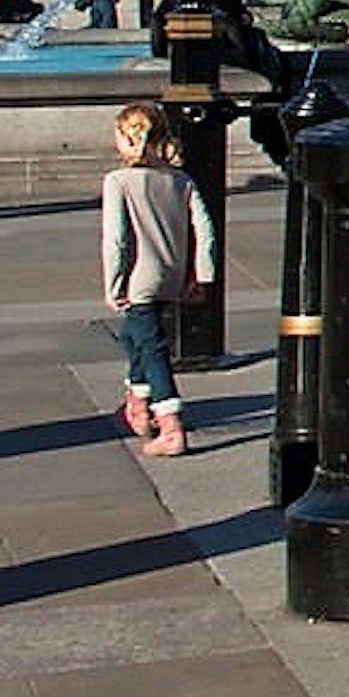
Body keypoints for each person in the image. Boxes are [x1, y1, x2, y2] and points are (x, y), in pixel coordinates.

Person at [99, 101, 213, 459]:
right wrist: (202, 275)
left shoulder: (118, 181)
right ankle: (137, 400)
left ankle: (170, 426)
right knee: (136, 336)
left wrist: (114, 285)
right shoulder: (180, 180)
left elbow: (116, 240)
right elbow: (205, 230)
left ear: (127, 140)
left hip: (139, 278)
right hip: (173, 274)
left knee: (151, 348)